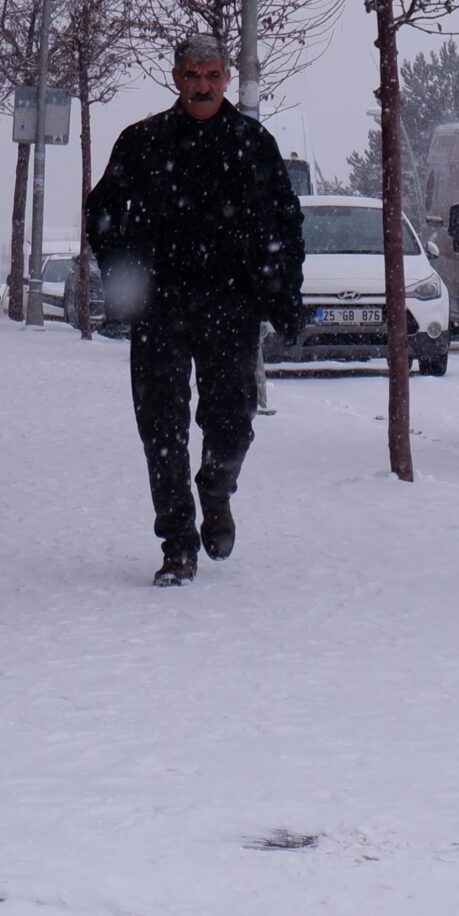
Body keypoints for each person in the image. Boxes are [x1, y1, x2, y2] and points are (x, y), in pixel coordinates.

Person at [86, 35, 304, 586]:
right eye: (192, 75)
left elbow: (286, 225)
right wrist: (124, 280)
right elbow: (103, 213)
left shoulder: (253, 144)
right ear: (176, 77)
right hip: (161, 309)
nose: (202, 86)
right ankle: (178, 543)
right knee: (161, 426)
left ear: (227, 79)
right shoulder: (143, 143)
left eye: (212, 76)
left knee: (233, 421)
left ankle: (216, 489)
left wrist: (283, 296)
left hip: (231, 306)